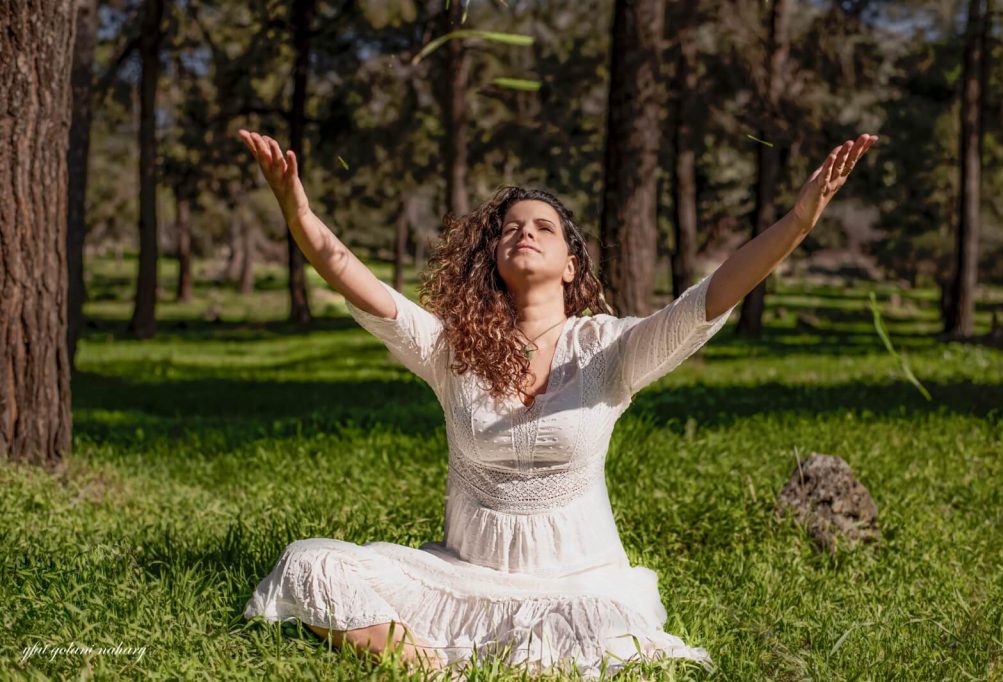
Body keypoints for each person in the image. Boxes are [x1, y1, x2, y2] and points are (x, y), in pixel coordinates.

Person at [237, 129, 877, 678]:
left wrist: (797, 222)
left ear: (572, 265)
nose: (525, 233)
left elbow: (707, 301)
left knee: (601, 641)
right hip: (463, 580)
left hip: (582, 589)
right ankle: (423, 668)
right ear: (492, 257)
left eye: (543, 227)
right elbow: (355, 279)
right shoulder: (449, 347)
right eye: (512, 228)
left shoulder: (609, 349)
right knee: (309, 564)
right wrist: (296, 210)